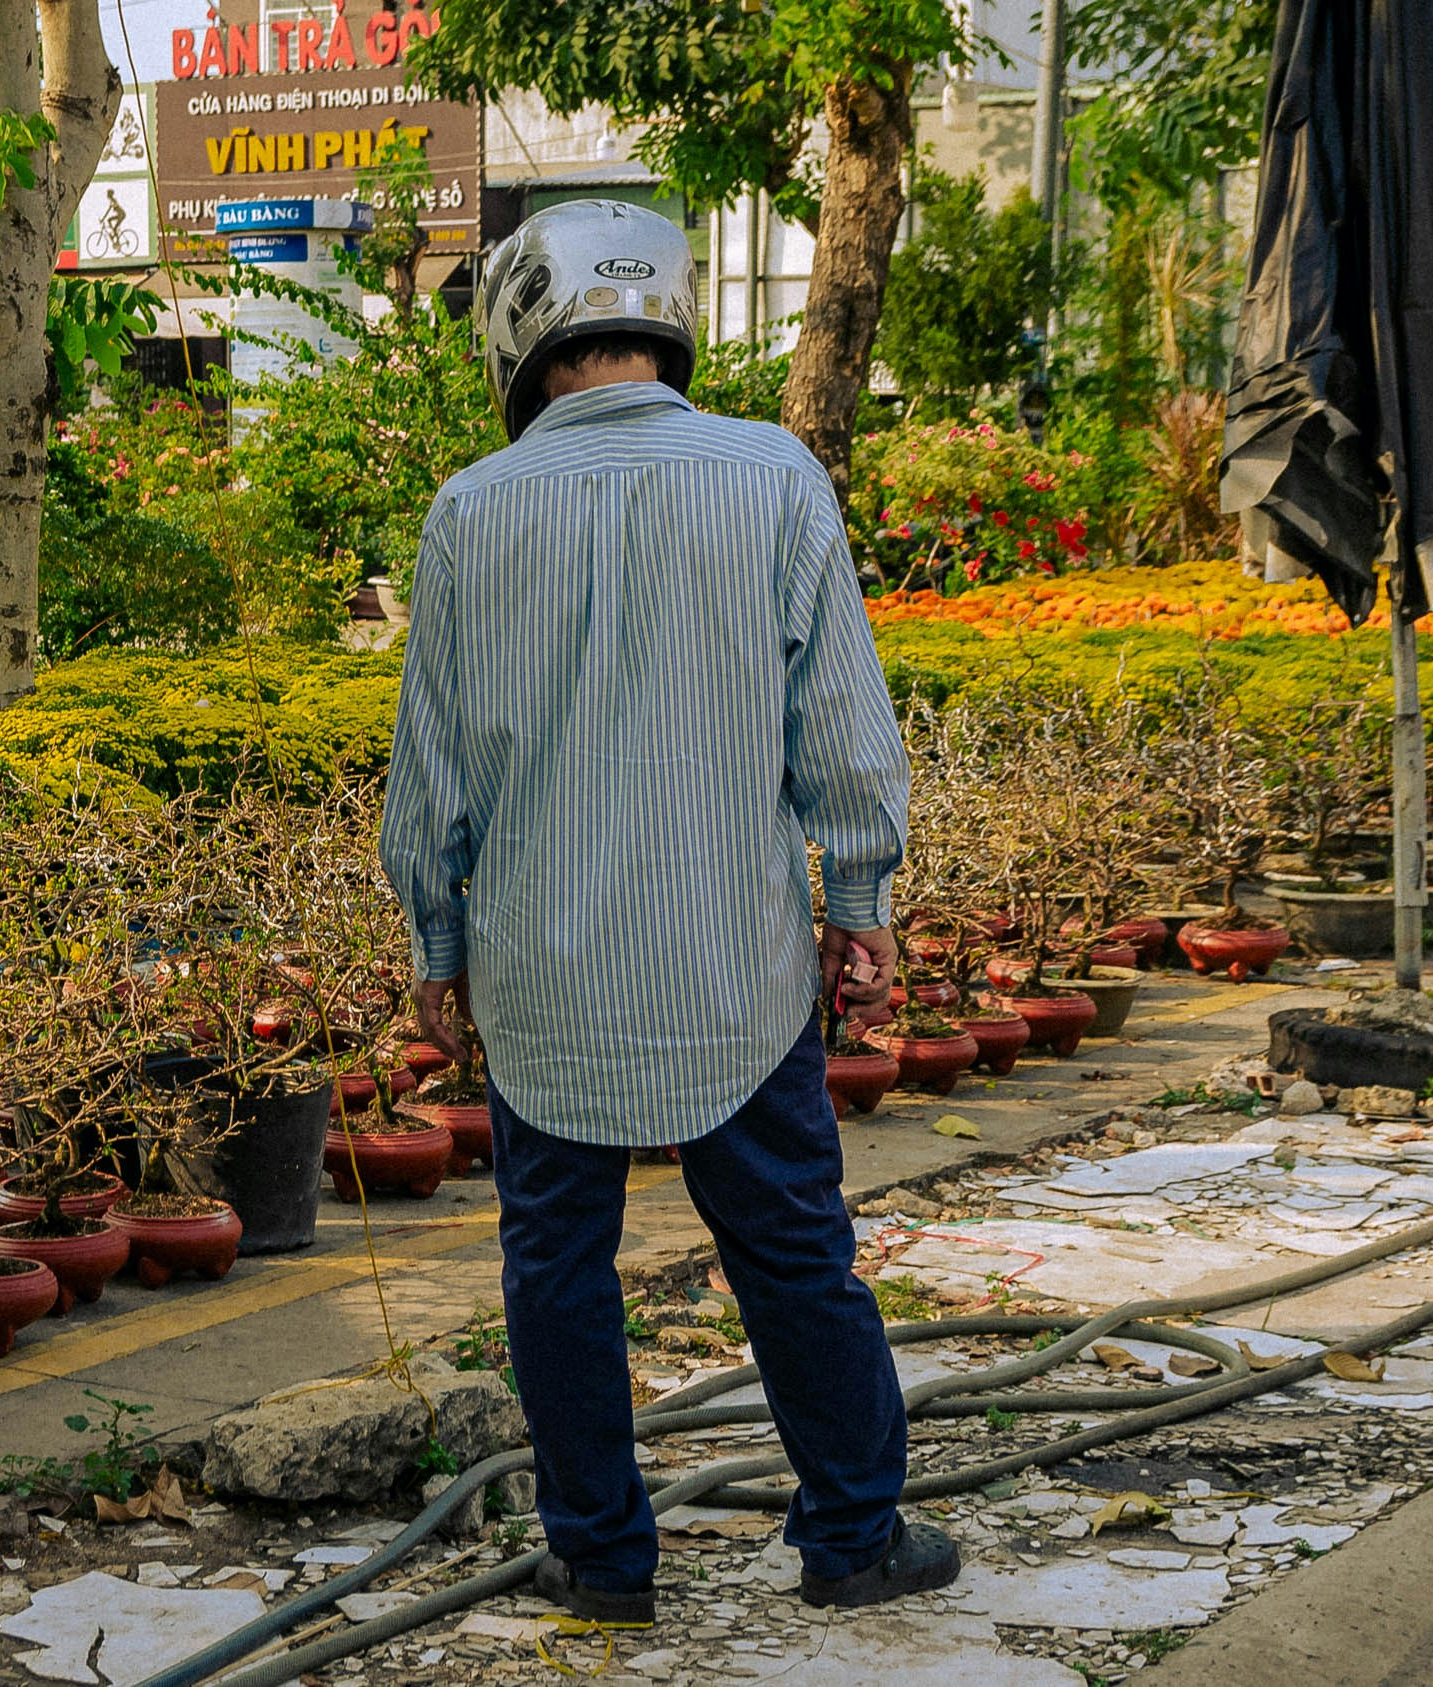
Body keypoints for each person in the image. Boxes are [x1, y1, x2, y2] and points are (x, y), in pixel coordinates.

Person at [379, 200, 954, 1627]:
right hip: (734, 966)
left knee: (555, 1264)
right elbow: (845, 731)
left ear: (524, 332)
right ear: (666, 317)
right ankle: (853, 1538)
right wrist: (861, 901)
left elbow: (429, 777)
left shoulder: (471, 510)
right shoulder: (773, 476)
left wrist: (434, 951)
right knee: (792, 1249)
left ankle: (600, 1558)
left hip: (542, 971)